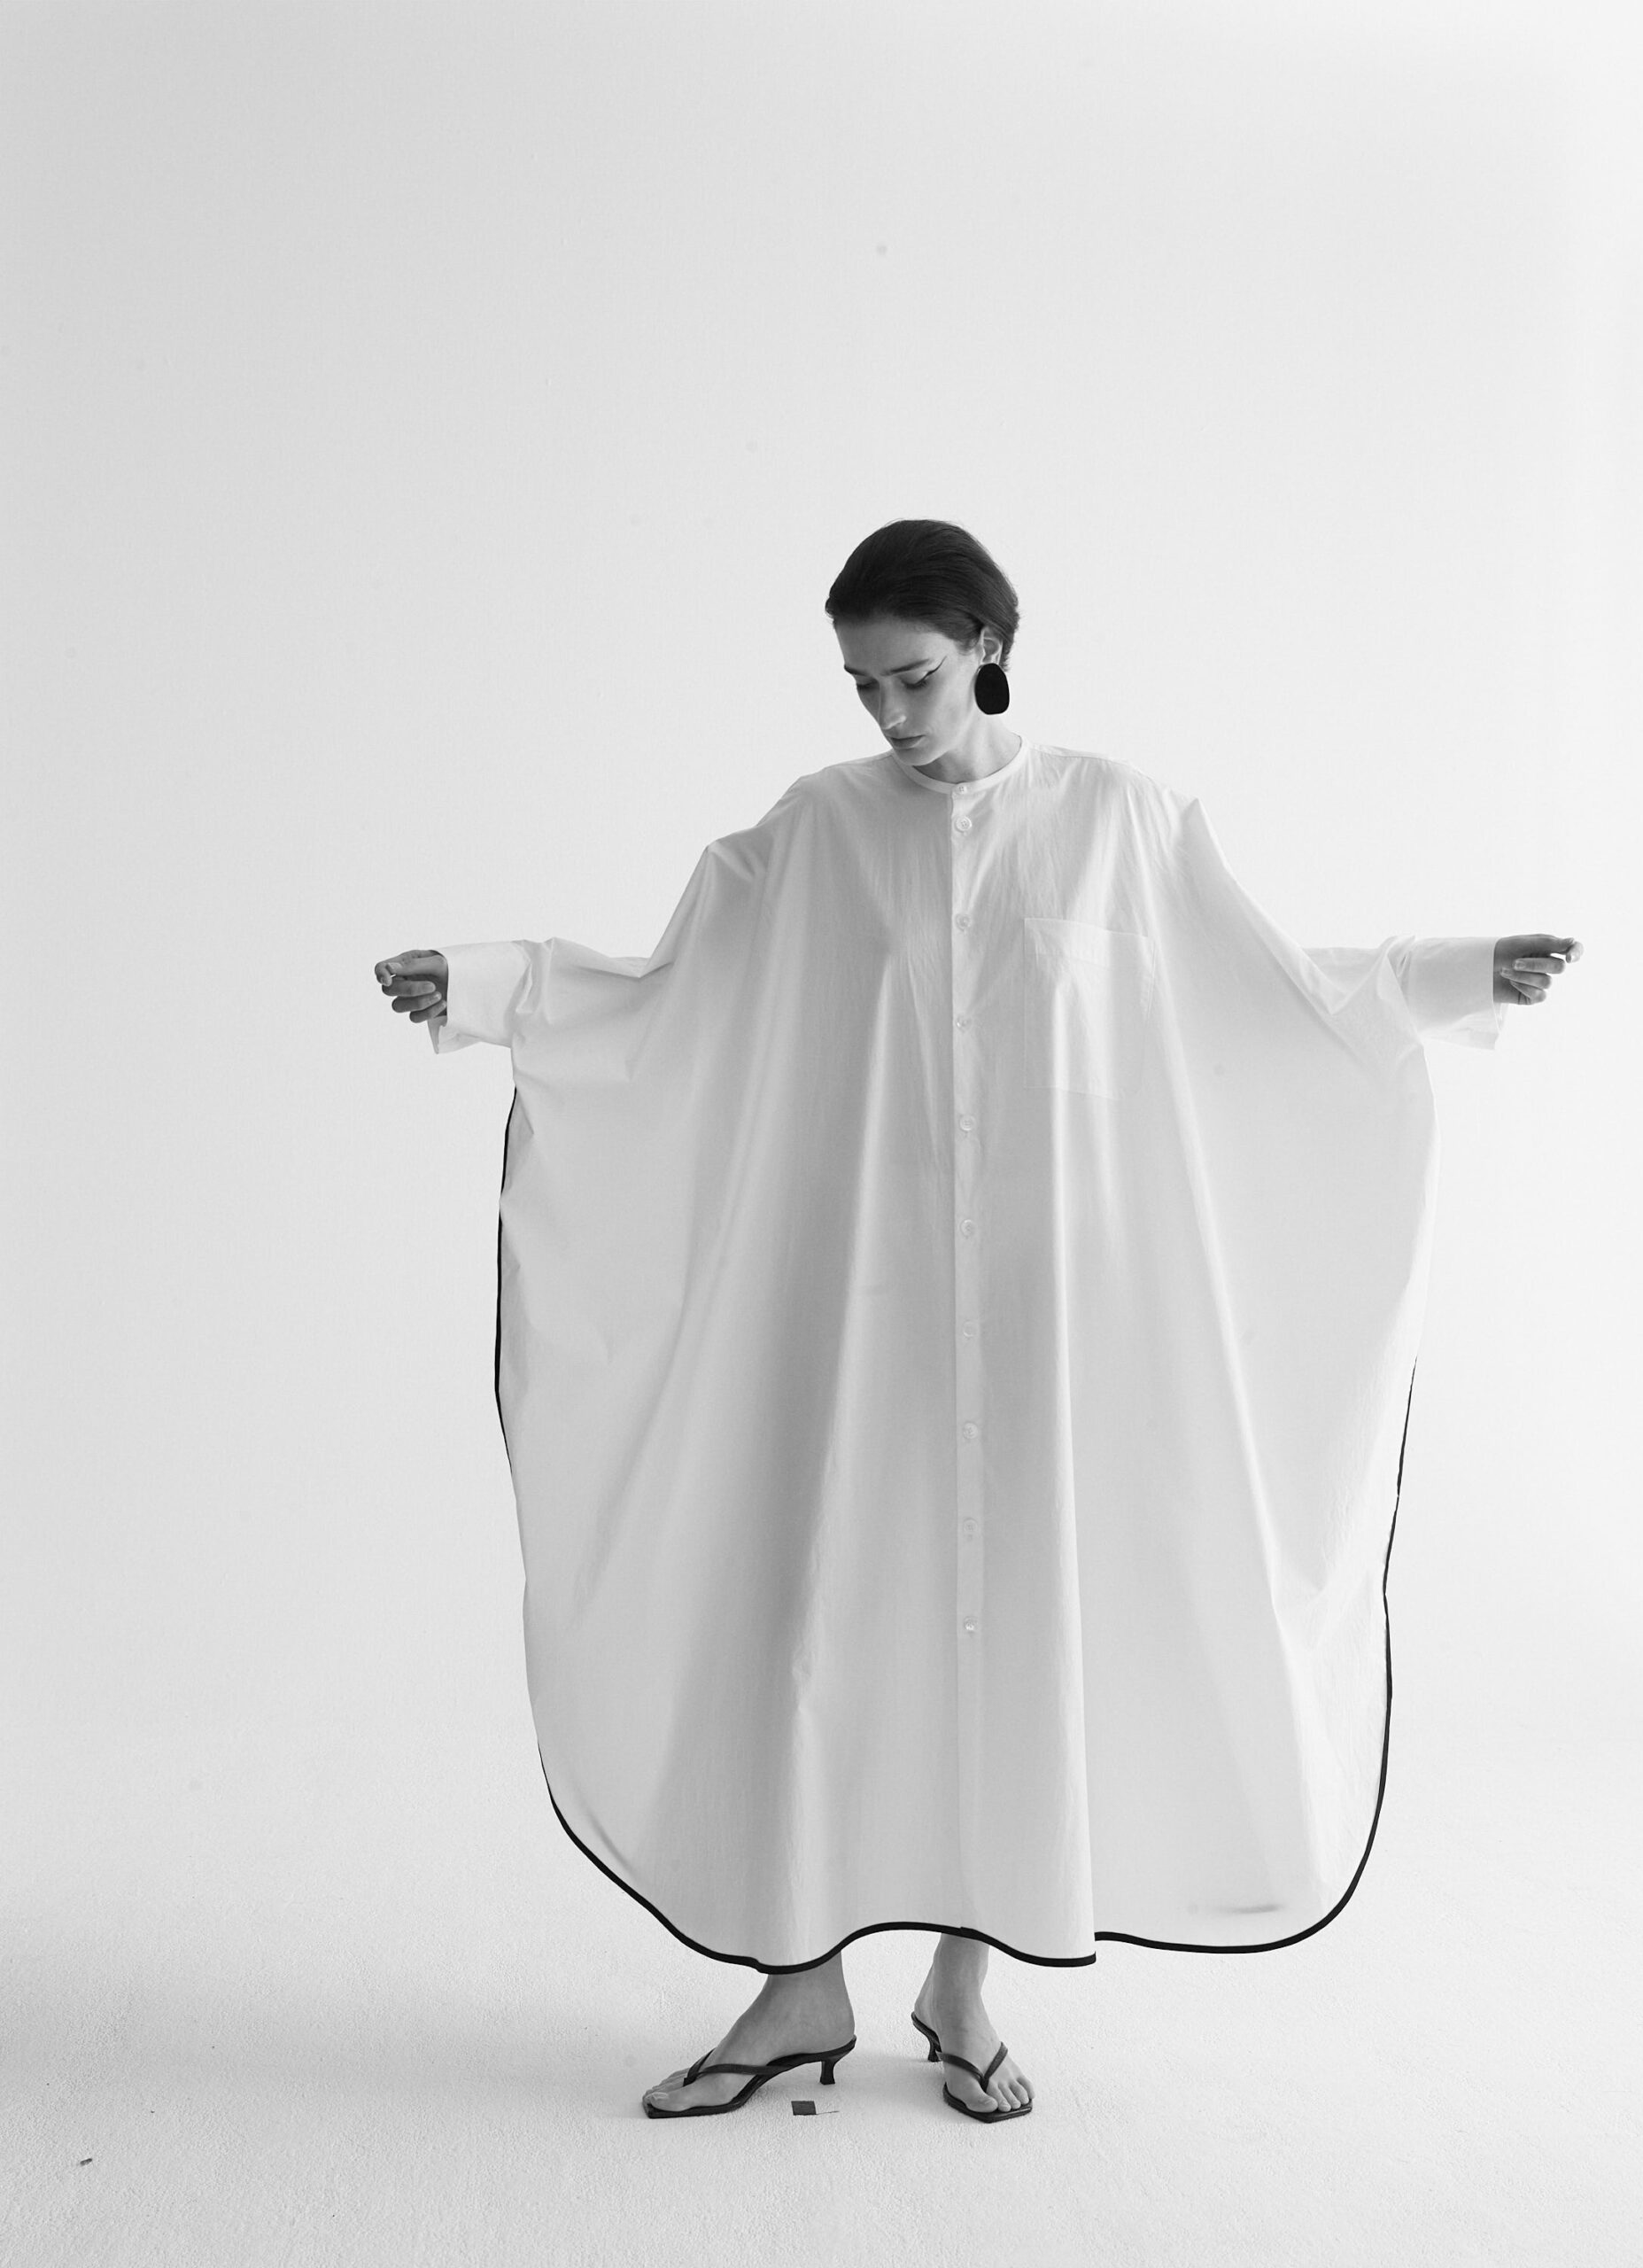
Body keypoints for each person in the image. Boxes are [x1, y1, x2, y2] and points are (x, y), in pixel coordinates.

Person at [375, 520, 1579, 2124]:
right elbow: (671, 996)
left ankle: (964, 1979)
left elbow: (1267, 997)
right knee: (819, 1623)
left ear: (992, 646)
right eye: (861, 685)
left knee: (1017, 1633)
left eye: (916, 677)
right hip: (852, 1305)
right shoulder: (815, 834)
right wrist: (491, 983)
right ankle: (797, 1987)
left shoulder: (1122, 823)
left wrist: (1451, 973)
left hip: (1047, 1317)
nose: (889, 714)